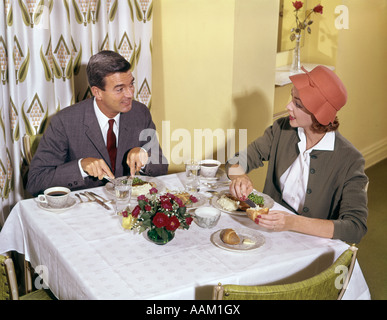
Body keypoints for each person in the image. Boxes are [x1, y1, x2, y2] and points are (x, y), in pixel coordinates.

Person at [227, 65, 368, 244]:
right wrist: (240, 178)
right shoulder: (282, 129)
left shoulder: (350, 160)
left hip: (312, 244)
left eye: (298, 104)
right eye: (292, 98)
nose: (288, 107)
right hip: (270, 233)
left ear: (319, 114)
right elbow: (236, 161)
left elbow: (355, 227)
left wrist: (292, 222)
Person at [27, 50, 168, 196]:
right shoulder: (64, 121)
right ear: (97, 92)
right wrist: (80, 166)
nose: (130, 94)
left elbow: (162, 166)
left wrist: (145, 155)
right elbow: (35, 181)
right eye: (120, 89)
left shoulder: (140, 113)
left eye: (131, 84)